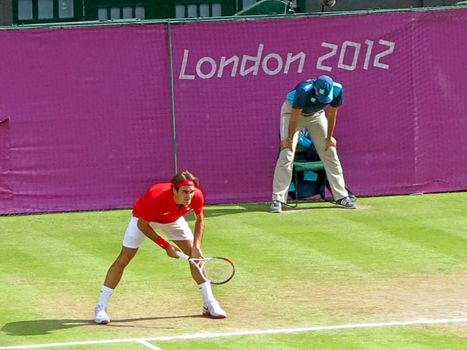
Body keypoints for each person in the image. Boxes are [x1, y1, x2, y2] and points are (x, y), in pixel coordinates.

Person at [94, 170, 227, 324]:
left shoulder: (196, 196)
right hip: (144, 219)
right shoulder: (155, 197)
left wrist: (197, 246)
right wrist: (166, 246)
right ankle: (100, 306)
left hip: (173, 220)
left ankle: (209, 303)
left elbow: (200, 220)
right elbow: (142, 225)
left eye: (191, 192)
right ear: (174, 190)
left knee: (195, 257)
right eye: (184, 192)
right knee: (124, 258)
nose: (188, 196)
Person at [270, 75, 356, 213]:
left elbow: (332, 114)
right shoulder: (304, 90)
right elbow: (294, 117)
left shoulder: (337, 90)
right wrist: (289, 140)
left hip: (316, 115)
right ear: (315, 89)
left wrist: (329, 138)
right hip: (292, 113)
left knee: (330, 151)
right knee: (287, 153)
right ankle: (278, 199)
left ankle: (342, 196)